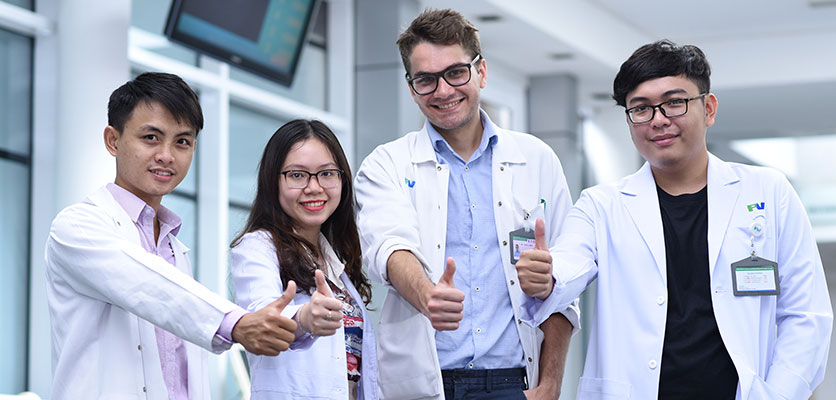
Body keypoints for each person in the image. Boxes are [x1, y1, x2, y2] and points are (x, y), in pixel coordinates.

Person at [516, 40, 834, 399]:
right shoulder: (601, 205)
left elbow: (806, 315)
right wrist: (547, 276)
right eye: (641, 108)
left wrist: (778, 394)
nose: (658, 120)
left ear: (708, 108)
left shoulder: (769, 192)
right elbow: (569, 263)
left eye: (674, 102)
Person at [354, 8, 579, 400]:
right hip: (425, 383)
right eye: (426, 79)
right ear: (411, 88)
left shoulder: (536, 160)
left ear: (481, 72)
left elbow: (564, 284)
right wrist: (427, 294)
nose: (443, 91)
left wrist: (550, 385)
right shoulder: (387, 164)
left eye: (456, 73)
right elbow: (389, 246)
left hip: (513, 384)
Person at [45, 72, 300, 399]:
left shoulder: (172, 247)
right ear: (113, 140)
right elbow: (146, 285)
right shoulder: (77, 227)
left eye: (182, 142)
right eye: (151, 137)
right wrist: (236, 324)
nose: (166, 155)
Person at [230, 119, 378, 399]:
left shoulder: (335, 260)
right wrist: (304, 318)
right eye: (297, 175)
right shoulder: (257, 247)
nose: (314, 187)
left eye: (327, 173)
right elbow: (262, 316)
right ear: (273, 181)